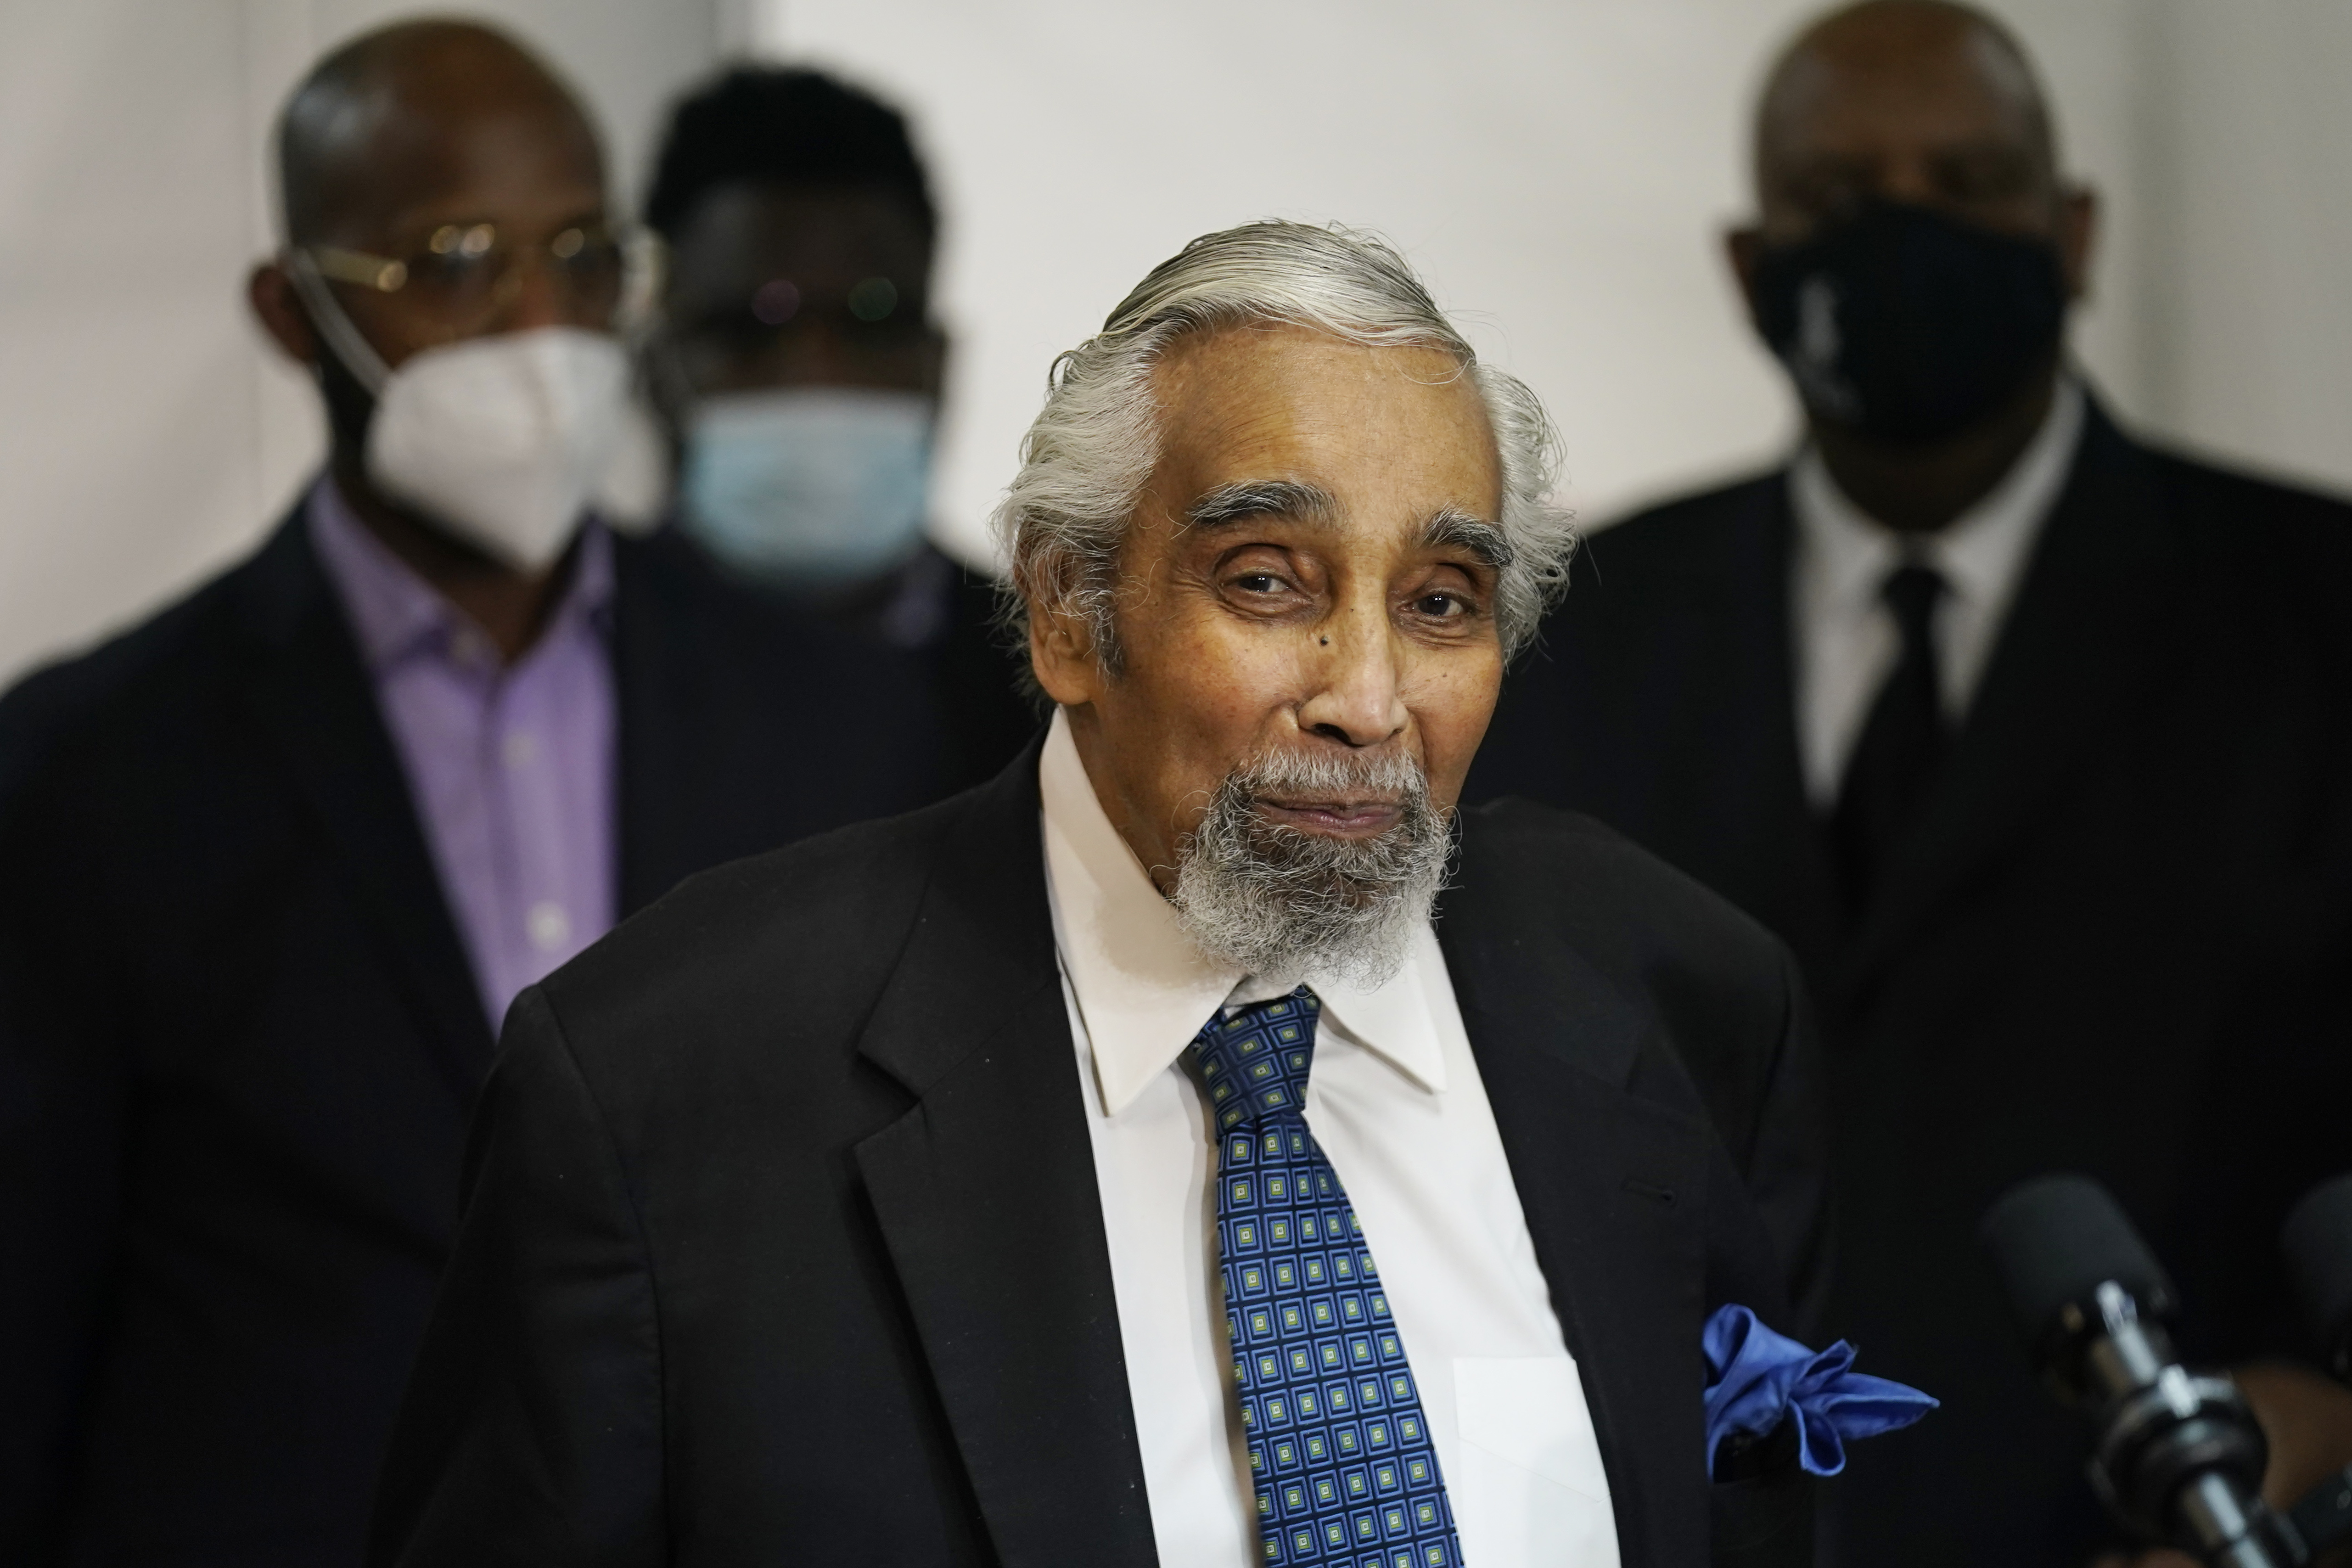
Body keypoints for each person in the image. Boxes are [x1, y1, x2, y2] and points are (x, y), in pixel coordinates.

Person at [366, 221, 1841, 1568]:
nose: (1369, 698)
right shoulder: (661, 1090)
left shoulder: (1676, 994)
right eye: (1268, 582)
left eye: (1440, 602)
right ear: (1070, 613)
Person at [0, 22, 946, 1566]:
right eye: (452, 261)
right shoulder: (89, 774)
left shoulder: (835, 721)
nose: (538, 325)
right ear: (296, 311)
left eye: (580, 256)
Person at [1468, 4, 2352, 1564]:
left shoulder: (2315, 611)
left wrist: (2301, 1432)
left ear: (2071, 233)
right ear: (1748, 267)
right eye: (1834, 197)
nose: (1902, 230)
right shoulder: (1560, 633)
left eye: (1965, 178)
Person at [641, 64, 1038, 791]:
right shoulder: (554, 680)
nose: (814, 371)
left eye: (872, 320)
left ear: (939, 366)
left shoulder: (1055, 692)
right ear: (656, 371)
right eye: (754, 327)